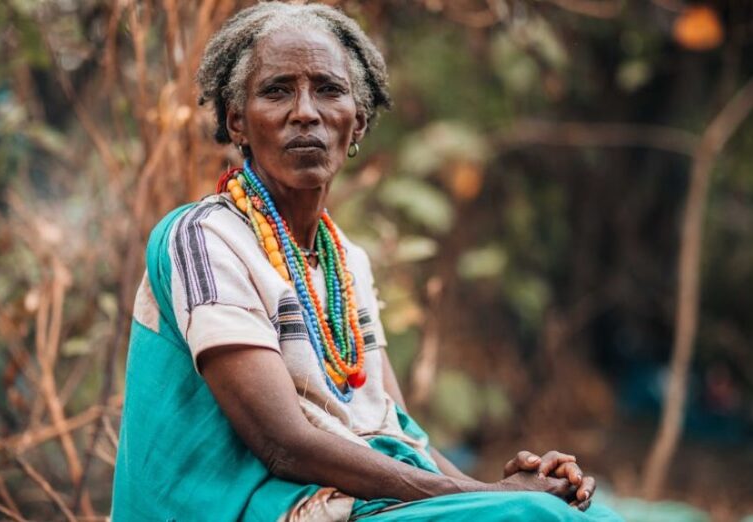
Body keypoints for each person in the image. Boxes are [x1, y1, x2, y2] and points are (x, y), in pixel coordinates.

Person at [111, 3, 622, 520]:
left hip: (348, 504)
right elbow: (283, 443)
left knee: (589, 517)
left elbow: (392, 429)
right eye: (277, 90)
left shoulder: (344, 261)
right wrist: (493, 500)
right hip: (262, 509)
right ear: (236, 121)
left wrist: (496, 486)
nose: (305, 112)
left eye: (329, 90)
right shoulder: (203, 237)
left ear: (357, 123)